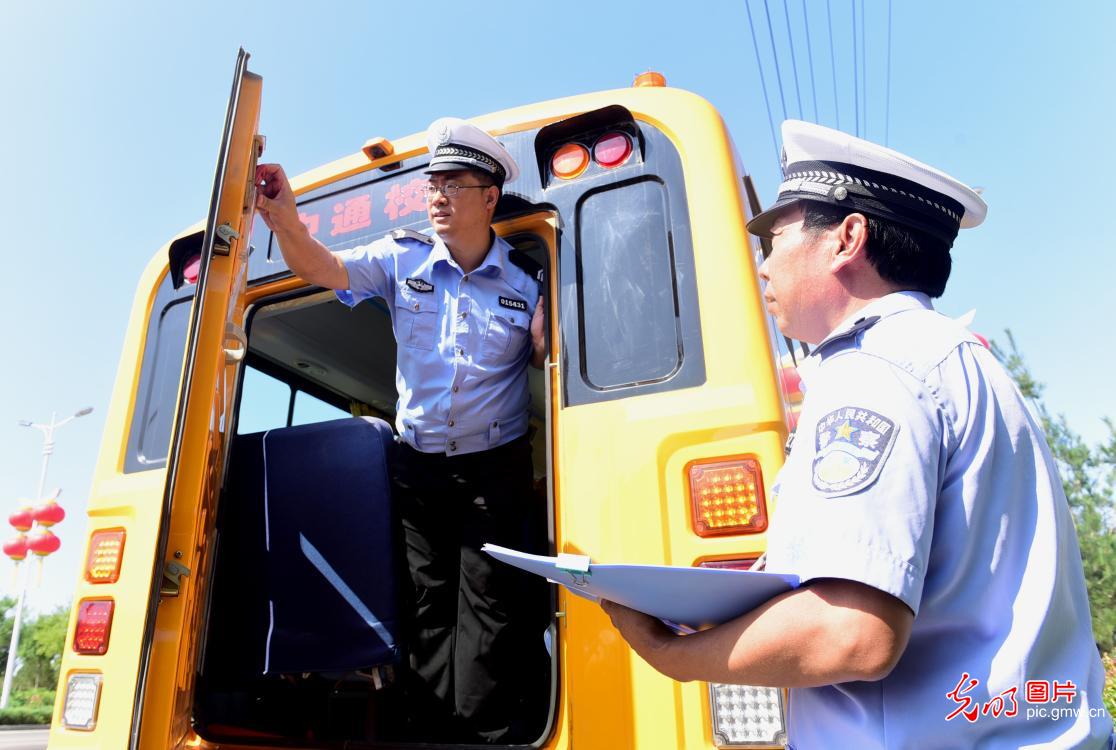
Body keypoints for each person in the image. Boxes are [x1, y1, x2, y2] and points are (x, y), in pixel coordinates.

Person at [601, 120, 1114, 749]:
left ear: (847, 237)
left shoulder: (873, 371)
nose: (764, 265)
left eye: (776, 236)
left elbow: (853, 632)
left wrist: (672, 656)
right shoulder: (955, 358)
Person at [254, 117, 548, 743]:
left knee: (490, 608)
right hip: (416, 469)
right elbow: (323, 268)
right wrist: (284, 220)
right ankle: (429, 730)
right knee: (423, 605)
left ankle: (484, 735)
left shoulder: (528, 283)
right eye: (432, 183)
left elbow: (556, 355)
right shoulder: (401, 259)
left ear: (489, 198)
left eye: (452, 184)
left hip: (493, 472)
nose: (436, 195)